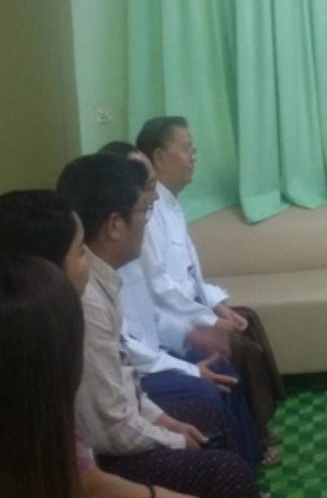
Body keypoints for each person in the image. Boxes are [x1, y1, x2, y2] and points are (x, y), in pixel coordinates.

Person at [57, 154, 261, 497]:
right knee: (225, 462)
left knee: (213, 408)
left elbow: (126, 375)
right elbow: (112, 425)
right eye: (144, 210)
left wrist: (166, 422)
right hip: (111, 451)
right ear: (114, 225)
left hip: (131, 407)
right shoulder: (87, 299)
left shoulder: (107, 277)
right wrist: (173, 437)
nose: (148, 221)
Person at [0, 191, 198, 498]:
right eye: (81, 251)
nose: (92, 262)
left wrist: (167, 424)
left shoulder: (23, 329)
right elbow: (99, 457)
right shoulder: (52, 328)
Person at [100, 141, 268, 468]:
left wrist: (193, 330)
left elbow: (156, 307)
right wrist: (197, 340)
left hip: (155, 349)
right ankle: (240, 458)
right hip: (144, 368)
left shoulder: (138, 237)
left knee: (225, 351)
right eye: (144, 186)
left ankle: (250, 450)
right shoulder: (111, 264)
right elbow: (131, 341)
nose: (152, 197)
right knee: (212, 379)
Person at [134, 116, 284, 448]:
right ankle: (251, 437)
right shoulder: (149, 214)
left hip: (187, 310)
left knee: (248, 319)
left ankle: (258, 424)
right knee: (234, 342)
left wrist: (218, 306)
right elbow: (160, 288)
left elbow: (191, 275)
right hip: (171, 320)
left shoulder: (170, 204)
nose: (193, 158)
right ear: (159, 157)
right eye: (187, 150)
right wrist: (209, 320)